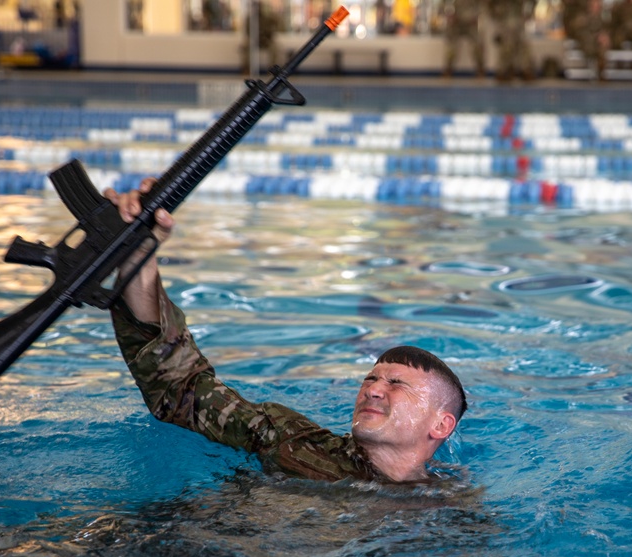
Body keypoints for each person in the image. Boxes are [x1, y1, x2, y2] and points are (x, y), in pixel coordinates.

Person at [104, 178, 468, 484]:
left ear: (440, 425)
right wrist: (140, 258)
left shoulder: (447, 517)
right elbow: (181, 389)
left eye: (396, 384)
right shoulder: (292, 441)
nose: (372, 389)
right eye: (371, 379)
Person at [488, 0, 535, 82]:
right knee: (506, 47)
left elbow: (532, 2)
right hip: (504, 21)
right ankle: (504, 70)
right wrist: (495, 16)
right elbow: (490, 4)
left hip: (519, 20)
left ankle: (526, 70)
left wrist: (529, 13)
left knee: (522, 46)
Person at [443, 0, 486, 78]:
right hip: (457, 23)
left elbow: (482, 5)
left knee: (478, 45)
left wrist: (477, 15)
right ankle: (448, 70)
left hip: (471, 22)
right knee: (452, 46)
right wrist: (450, 14)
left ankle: (480, 70)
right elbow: (447, 4)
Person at [572, 0, 609, 81]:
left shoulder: (602, 19)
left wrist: (604, 37)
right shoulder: (582, 18)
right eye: (594, 5)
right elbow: (579, 32)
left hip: (598, 44)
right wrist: (596, 37)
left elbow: (606, 30)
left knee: (602, 47)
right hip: (587, 44)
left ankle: (600, 72)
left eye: (598, 6)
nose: (596, 8)